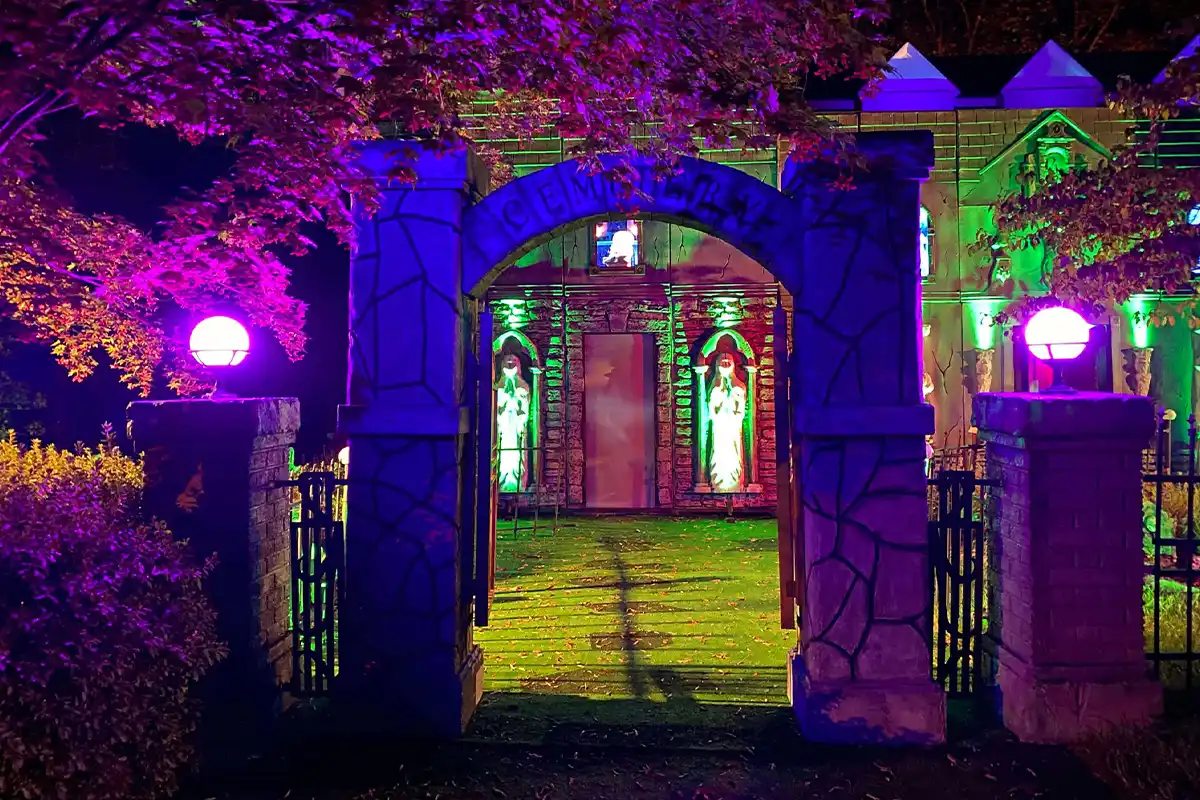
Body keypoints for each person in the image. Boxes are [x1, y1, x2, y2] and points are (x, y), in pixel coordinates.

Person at [708, 353, 746, 491]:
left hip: (732, 426)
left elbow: (740, 410)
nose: (725, 364)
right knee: (719, 451)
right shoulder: (714, 385)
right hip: (720, 425)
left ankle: (734, 481)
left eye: (727, 362)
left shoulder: (739, 386)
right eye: (722, 362)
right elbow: (712, 409)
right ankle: (718, 480)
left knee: (733, 452)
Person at [495, 354, 530, 492]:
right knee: (504, 456)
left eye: (514, 361)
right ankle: (502, 482)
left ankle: (517, 482)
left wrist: (515, 403)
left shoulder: (523, 386)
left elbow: (525, 408)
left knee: (516, 454)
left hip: (515, 425)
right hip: (504, 425)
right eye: (507, 361)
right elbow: (496, 407)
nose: (510, 363)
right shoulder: (499, 385)